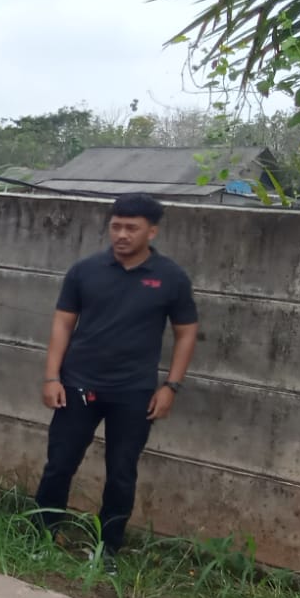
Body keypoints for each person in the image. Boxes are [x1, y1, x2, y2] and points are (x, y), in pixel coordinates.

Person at [35, 194, 198, 573]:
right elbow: (63, 323)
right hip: (77, 386)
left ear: (151, 231)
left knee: (121, 472)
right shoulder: (85, 271)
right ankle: (40, 536)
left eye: (132, 228)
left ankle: (107, 549)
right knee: (59, 465)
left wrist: (170, 386)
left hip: (135, 393)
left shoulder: (171, 278)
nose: (122, 234)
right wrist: (51, 376)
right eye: (116, 226)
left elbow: (187, 333)